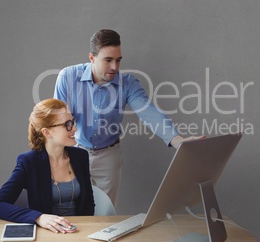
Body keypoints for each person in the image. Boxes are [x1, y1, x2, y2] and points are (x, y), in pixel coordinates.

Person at [54, 29, 203, 207]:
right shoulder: (68, 77)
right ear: (92, 58)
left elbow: (149, 112)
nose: (115, 67)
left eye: (118, 60)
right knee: (72, 210)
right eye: (108, 60)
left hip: (109, 155)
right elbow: (58, 121)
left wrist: (178, 141)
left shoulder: (128, 83)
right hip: (75, 151)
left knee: (106, 212)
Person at [0, 99, 94, 234]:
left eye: (72, 122)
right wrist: (39, 217)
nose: (74, 128)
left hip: (79, 231)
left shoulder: (80, 156)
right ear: (47, 132)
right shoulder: (29, 162)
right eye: (67, 124)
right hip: (47, 233)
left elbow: (88, 204)